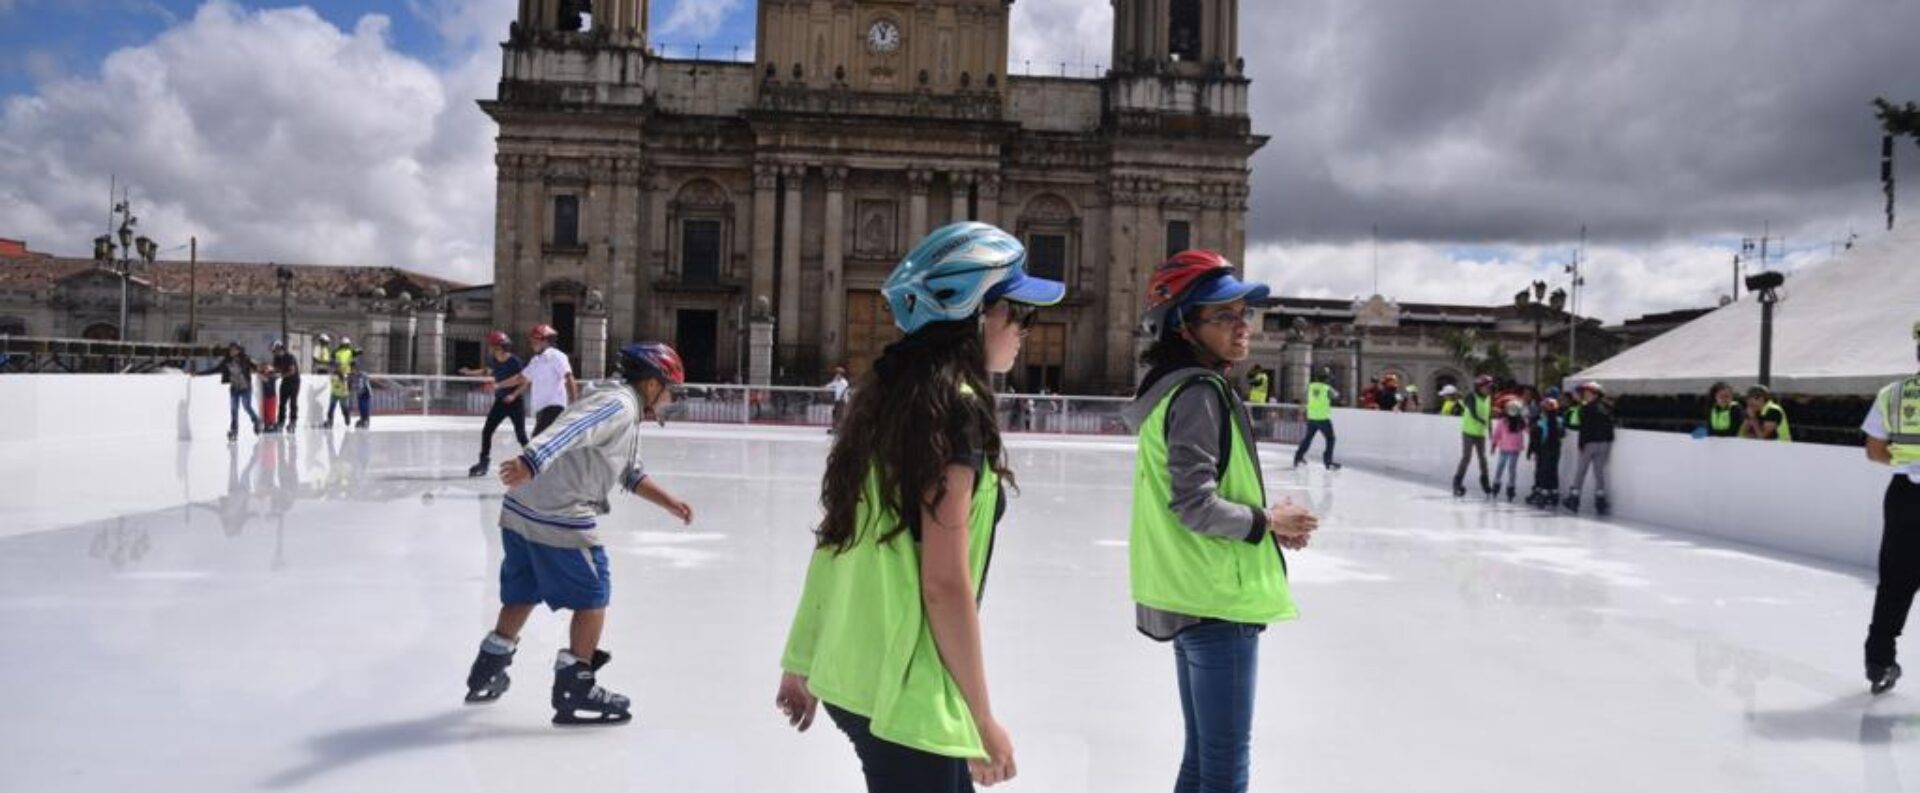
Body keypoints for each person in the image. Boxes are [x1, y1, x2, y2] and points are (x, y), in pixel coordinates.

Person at [775, 222, 1065, 791]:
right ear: (978, 314)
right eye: (1019, 314)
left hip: (859, 675)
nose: (1027, 331)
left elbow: (836, 540)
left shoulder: (887, 402)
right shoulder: (955, 413)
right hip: (906, 690)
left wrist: (802, 657)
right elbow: (944, 584)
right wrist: (982, 719)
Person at [1118, 249, 1315, 793]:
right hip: (1216, 600)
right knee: (1225, 767)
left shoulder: (1173, 388)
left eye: (1244, 314)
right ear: (1183, 325)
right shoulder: (1198, 392)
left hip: (1189, 592)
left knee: (1204, 760)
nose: (1242, 327)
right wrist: (1269, 525)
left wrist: (1267, 521)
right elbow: (1193, 502)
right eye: (1224, 316)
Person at [463, 341, 696, 726]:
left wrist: (669, 501)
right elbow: (575, 427)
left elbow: (628, 471)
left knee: (525, 590)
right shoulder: (619, 405)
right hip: (557, 511)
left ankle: (488, 669)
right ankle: (576, 688)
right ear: (652, 384)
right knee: (593, 595)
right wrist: (530, 459)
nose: (672, 400)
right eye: (670, 390)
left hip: (521, 509)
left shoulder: (620, 407)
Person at [1860, 319, 1920, 695]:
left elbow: (1874, 451)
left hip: (1905, 497)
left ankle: (1879, 662)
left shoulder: (1893, 394)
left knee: (1895, 583)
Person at [463, 330, 530, 477]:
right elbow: (486, 371)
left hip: (515, 403)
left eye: (491, 345)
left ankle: (534, 462)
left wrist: (513, 395)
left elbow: (525, 381)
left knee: (521, 435)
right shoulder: (494, 359)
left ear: (498, 347)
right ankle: (483, 462)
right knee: (487, 431)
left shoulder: (514, 361)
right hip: (500, 402)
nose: (489, 348)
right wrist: (469, 372)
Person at [497, 324, 577, 437]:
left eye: (535, 339)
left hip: (554, 408)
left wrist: (574, 405)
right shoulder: (535, 361)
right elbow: (520, 378)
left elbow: (569, 377)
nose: (532, 343)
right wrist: (498, 385)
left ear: (546, 340)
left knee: (535, 444)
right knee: (545, 447)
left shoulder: (556, 356)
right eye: (531, 339)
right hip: (541, 411)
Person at [1563, 381, 1616, 515]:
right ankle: (1600, 500)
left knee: (1581, 471)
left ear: (1595, 394)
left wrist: (1581, 444)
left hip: (1589, 443)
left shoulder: (1586, 409)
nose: (1585, 395)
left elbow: (1584, 428)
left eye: (1587, 393)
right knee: (1599, 472)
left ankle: (1574, 498)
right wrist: (1608, 441)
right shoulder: (1607, 407)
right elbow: (1610, 426)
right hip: (1603, 443)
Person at [195, 342, 262, 442]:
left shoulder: (245, 358)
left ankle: (256, 421)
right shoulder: (226, 361)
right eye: (230, 349)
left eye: (234, 349)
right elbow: (216, 369)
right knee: (234, 410)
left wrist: (263, 371)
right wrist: (200, 374)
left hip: (245, 388)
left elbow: (255, 367)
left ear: (238, 350)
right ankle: (234, 430)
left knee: (246, 406)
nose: (232, 351)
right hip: (234, 389)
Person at [1451, 375, 1495, 498]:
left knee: (1483, 459)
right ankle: (1457, 482)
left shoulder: (1488, 398)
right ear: (1479, 387)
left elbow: (1489, 415)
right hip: (1468, 432)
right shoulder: (1471, 397)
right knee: (1466, 458)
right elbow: (1474, 412)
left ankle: (1485, 483)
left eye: (1490, 387)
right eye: (1487, 387)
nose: (1489, 389)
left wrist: (1490, 430)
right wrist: (1483, 421)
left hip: (1480, 433)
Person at [1293, 367, 1340, 470]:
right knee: (1330, 439)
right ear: (1326, 378)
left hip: (1312, 418)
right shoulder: (1327, 388)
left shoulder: (1310, 387)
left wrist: (1301, 412)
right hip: (1323, 419)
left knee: (1307, 439)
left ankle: (1298, 457)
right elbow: (1336, 396)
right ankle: (1328, 461)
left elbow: (1304, 399)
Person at [1527, 397, 1566, 508]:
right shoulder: (1558, 420)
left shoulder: (1541, 421)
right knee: (1552, 471)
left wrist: (1532, 450)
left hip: (1545, 449)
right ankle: (1552, 493)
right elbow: (1562, 434)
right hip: (1554, 449)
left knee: (1544, 471)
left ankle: (1543, 492)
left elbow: (1535, 437)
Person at [1489, 399, 1527, 502]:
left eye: (1515, 409)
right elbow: (1497, 433)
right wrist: (1494, 445)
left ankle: (1511, 487)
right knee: (1500, 466)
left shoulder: (1521, 422)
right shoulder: (1503, 421)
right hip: (1504, 448)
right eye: (1511, 409)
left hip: (1515, 449)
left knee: (1511, 468)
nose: (1512, 411)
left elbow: (1528, 430)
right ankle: (1496, 484)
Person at [269, 340, 301, 434]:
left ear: (280, 349)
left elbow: (292, 371)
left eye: (276, 351)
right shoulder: (277, 358)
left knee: (293, 402)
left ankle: (293, 421)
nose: (275, 353)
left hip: (294, 381)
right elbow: (276, 369)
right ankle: (281, 422)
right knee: (282, 403)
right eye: (274, 351)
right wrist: (270, 372)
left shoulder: (289, 357)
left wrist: (280, 375)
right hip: (285, 381)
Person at [826, 366, 851, 435]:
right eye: (836, 374)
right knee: (835, 414)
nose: (836, 375)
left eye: (838, 374)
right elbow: (831, 385)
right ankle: (835, 428)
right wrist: (825, 386)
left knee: (839, 415)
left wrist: (841, 399)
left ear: (841, 375)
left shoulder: (844, 382)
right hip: (838, 401)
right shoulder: (836, 381)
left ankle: (839, 429)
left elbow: (844, 392)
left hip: (842, 401)